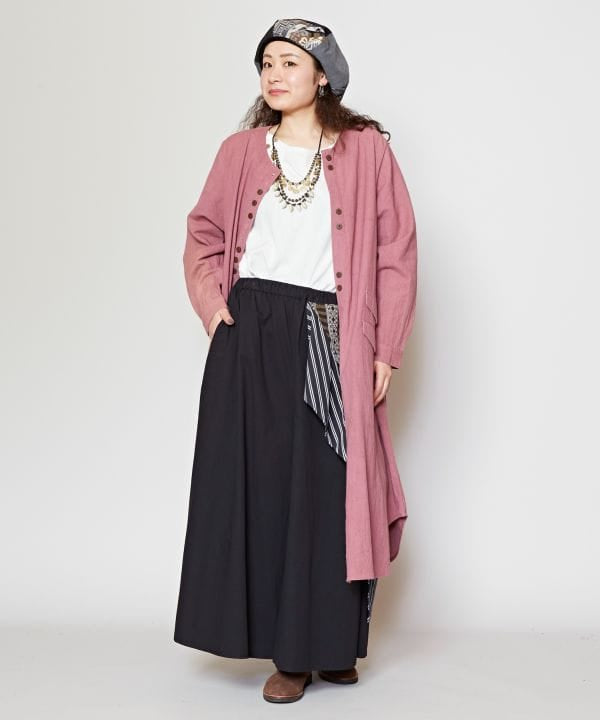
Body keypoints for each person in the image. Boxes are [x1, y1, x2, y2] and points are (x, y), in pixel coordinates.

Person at [174, 18, 418, 704]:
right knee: (260, 485)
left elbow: (396, 253)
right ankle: (287, 652)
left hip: (329, 330)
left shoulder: (367, 152)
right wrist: (214, 307)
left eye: (289, 62)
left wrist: (386, 348)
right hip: (250, 328)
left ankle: (326, 644)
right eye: (266, 64)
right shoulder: (239, 151)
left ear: (323, 75)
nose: (274, 75)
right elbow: (203, 234)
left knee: (327, 490)